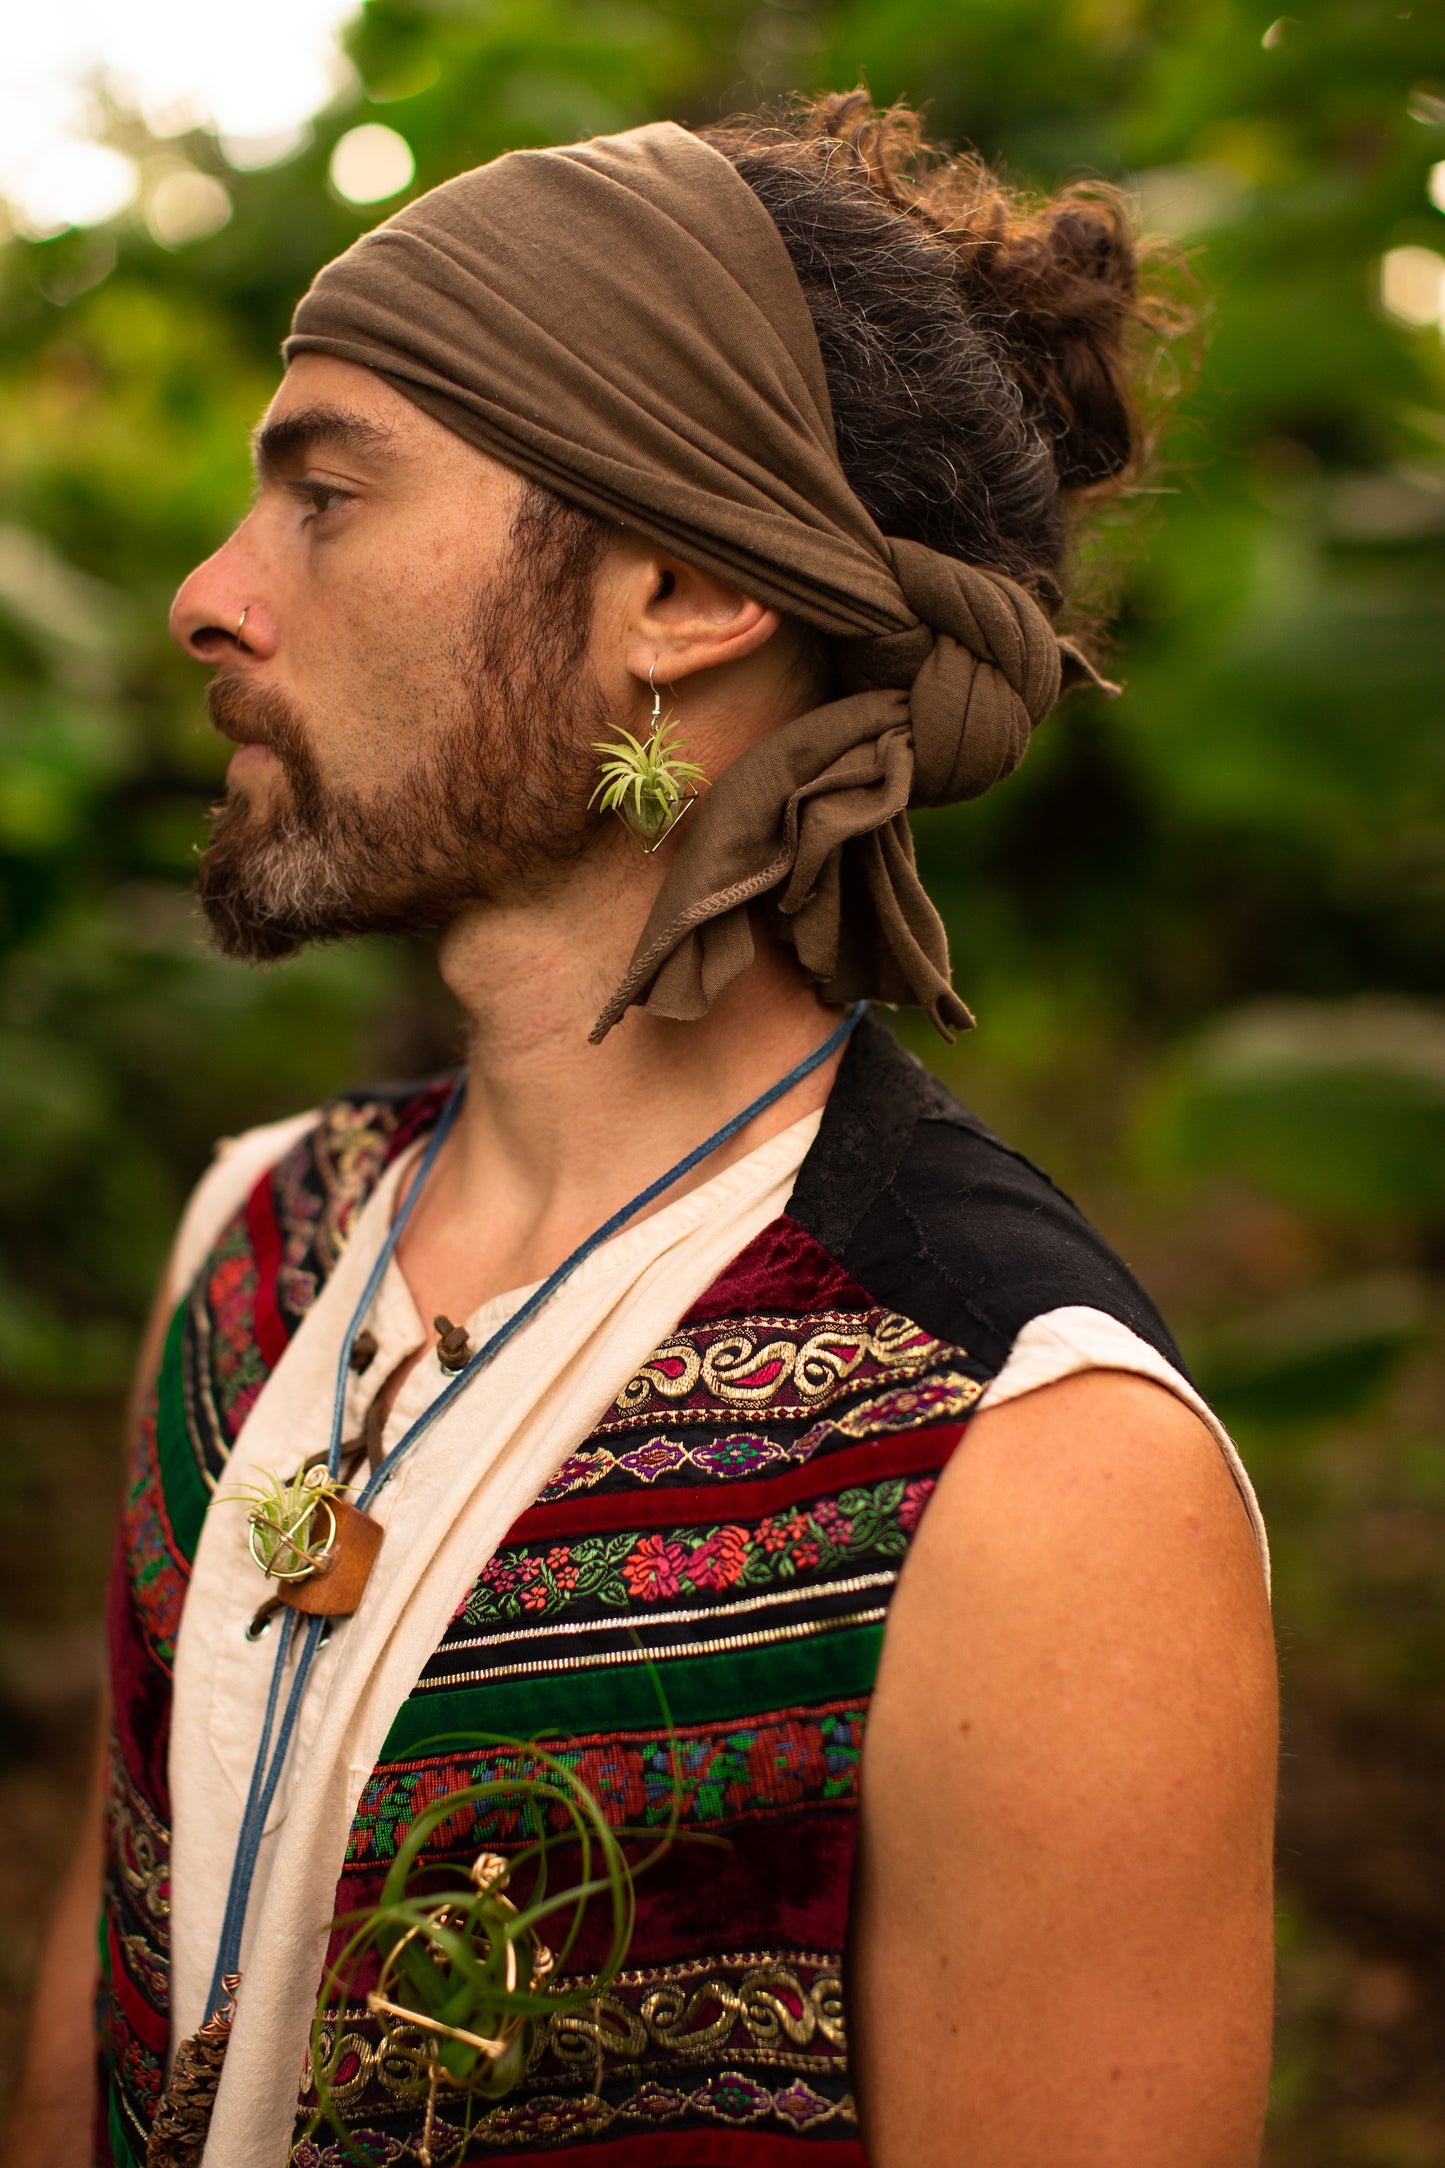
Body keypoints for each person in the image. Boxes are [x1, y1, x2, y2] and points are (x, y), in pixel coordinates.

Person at [3, 93, 1277, 2168]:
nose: (209, 594)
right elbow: (95, 2011)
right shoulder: (257, 1242)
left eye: (324, 493)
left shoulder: (1035, 1463)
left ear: (678, 589)